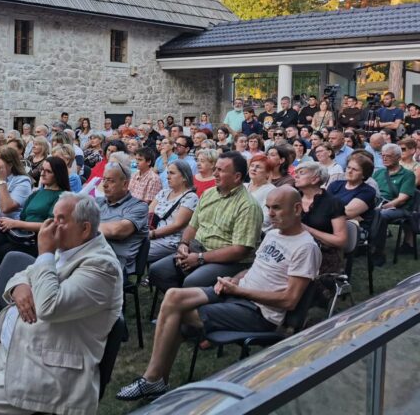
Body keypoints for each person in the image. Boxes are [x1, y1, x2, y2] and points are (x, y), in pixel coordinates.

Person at [117, 186, 321, 402]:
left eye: (277, 208)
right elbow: (255, 268)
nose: (270, 213)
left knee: (174, 315)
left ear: (297, 209)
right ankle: (156, 381)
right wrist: (234, 279)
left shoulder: (306, 247)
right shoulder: (272, 235)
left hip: (260, 313)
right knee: (174, 297)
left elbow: (290, 300)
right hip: (239, 293)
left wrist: (240, 290)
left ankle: (153, 380)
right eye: (269, 207)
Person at [0, 194, 123, 415]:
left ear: (85, 229)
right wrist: (19, 287)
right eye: (51, 217)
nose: (49, 225)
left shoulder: (102, 267)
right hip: (10, 347)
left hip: (46, 365)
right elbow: (24, 274)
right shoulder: (67, 248)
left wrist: (44, 254)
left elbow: (49, 306)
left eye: (60, 219)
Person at [147, 152, 262, 297]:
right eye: (215, 169)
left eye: (220, 170)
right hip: (197, 249)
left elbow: (239, 251)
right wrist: (183, 244)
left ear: (237, 177)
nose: (214, 174)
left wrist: (200, 258)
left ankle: (189, 311)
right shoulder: (209, 193)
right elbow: (193, 225)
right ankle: (181, 307)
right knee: (158, 271)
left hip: (228, 262)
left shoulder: (247, 206)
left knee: (192, 281)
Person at [0, 156, 71, 302]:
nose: (43, 174)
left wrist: (15, 224)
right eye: (42, 170)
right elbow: (23, 216)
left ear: (58, 174)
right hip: (20, 234)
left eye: (48, 171)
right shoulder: (36, 193)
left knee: (1, 252)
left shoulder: (61, 196)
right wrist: (10, 224)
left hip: (37, 240)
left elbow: (51, 225)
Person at [96, 162, 150, 276]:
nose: (104, 185)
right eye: (104, 179)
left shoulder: (139, 206)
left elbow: (117, 231)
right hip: (92, 256)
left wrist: (85, 227)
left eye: (110, 180)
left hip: (115, 264)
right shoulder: (98, 202)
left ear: (125, 184)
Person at [294, 162, 347, 274]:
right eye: (296, 173)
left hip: (322, 253)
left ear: (315, 179)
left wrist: (307, 229)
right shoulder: (293, 198)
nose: (296, 176)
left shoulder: (333, 203)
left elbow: (340, 241)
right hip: (293, 248)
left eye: (301, 173)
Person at [372, 143, 416, 265]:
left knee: (380, 215)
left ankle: (379, 252)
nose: (384, 158)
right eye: (382, 156)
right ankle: (360, 244)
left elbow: (402, 199)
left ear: (398, 157)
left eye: (388, 156)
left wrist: (383, 207)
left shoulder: (407, 175)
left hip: (399, 208)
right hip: (377, 204)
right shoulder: (379, 173)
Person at [148, 161, 198, 264]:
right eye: (167, 173)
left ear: (184, 177)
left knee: (134, 250)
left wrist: (152, 234)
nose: (167, 177)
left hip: (170, 242)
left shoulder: (190, 197)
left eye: (172, 173)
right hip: (151, 235)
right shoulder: (163, 192)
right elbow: (149, 214)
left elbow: (177, 225)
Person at [327, 154, 376, 224]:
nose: (349, 171)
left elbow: (347, 213)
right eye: (348, 167)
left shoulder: (368, 191)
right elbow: (322, 205)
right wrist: (354, 217)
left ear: (364, 175)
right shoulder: (335, 185)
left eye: (355, 169)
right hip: (329, 223)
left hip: (353, 230)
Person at [246, 155, 276, 233]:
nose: (254, 169)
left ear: (267, 173)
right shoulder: (242, 186)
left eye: (258, 167)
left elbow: (266, 219)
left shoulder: (272, 191)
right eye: (252, 166)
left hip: (257, 233)